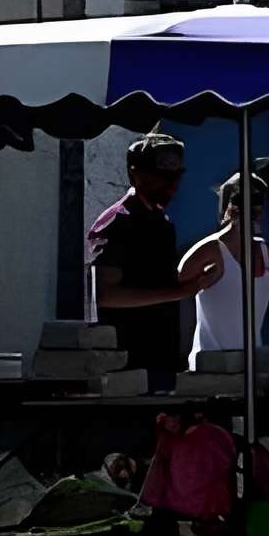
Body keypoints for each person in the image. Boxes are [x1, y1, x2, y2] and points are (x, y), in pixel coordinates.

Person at [88, 134, 192, 388]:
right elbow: (106, 295)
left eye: (176, 177)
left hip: (162, 359)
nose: (172, 186)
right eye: (163, 178)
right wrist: (180, 291)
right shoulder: (117, 222)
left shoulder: (162, 224)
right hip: (126, 364)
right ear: (137, 175)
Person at [181, 167, 269, 363]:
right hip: (209, 366)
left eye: (256, 202)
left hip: (248, 366)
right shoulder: (210, 250)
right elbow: (175, 288)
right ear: (228, 207)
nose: (251, 210)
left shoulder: (265, 254)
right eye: (242, 201)